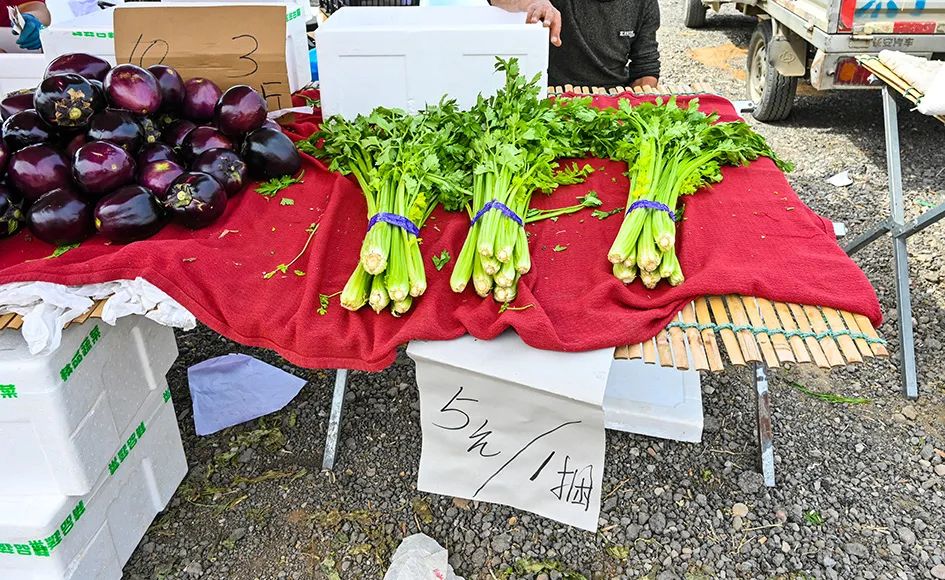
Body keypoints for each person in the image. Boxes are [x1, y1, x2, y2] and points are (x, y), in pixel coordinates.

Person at [490, 0, 660, 90]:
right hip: (554, 97)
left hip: (613, 98)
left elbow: (646, 67)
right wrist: (534, 2)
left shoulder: (645, 3)